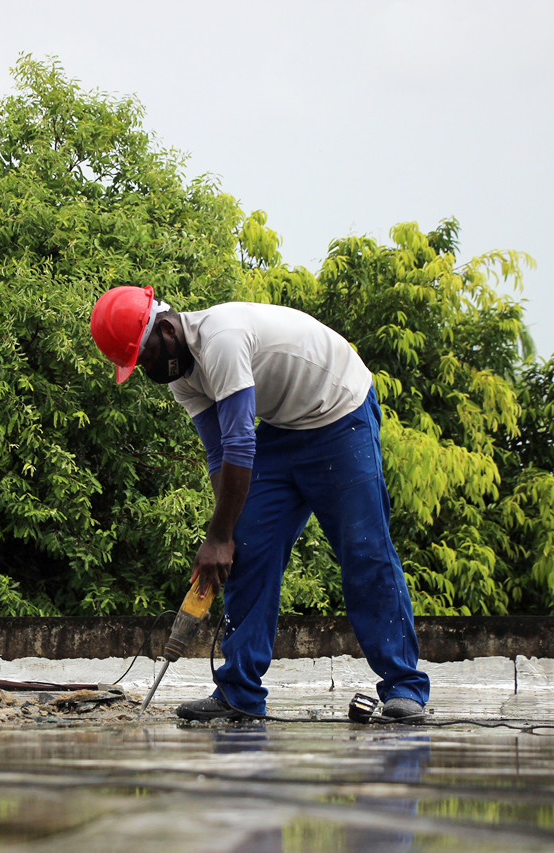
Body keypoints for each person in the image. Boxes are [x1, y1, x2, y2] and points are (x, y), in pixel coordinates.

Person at [90, 285, 430, 722]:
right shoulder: (181, 380)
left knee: (365, 551)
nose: (145, 368)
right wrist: (225, 536)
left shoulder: (221, 338)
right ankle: (239, 693)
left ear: (168, 330)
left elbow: (239, 440)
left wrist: (216, 535)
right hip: (284, 428)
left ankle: (404, 687)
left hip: (339, 412)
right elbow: (219, 454)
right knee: (245, 550)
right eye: (136, 363)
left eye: (146, 355)